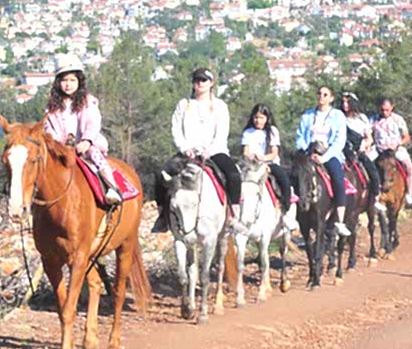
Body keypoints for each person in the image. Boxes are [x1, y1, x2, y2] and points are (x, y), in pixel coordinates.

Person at [151, 67, 243, 234]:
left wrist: (209, 150)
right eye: (196, 80)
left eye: (203, 80)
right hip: (188, 153)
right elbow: (176, 129)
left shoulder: (220, 106)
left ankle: (233, 217)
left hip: (214, 152)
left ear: (211, 83)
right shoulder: (184, 104)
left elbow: (222, 133)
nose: (199, 83)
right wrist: (185, 148)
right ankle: (163, 217)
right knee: (160, 175)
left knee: (233, 176)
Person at [42, 54, 121, 205]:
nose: (68, 84)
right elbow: (49, 128)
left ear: (79, 81)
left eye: (72, 80)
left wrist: (86, 140)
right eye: (64, 80)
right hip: (62, 148)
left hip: (85, 144)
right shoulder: (52, 107)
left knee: (96, 157)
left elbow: (93, 122)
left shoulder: (87, 102)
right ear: (58, 83)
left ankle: (112, 187)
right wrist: (58, 145)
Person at [294, 85, 353, 237]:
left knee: (338, 178)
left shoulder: (338, 115)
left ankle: (339, 219)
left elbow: (340, 140)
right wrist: (305, 150)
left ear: (331, 98)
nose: (321, 97)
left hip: (329, 154)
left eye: (325, 95)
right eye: (319, 94)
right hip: (309, 153)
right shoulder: (308, 115)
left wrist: (324, 157)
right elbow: (300, 136)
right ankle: (292, 214)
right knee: (295, 175)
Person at [240, 103, 298, 231]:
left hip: (269, 163)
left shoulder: (272, 131)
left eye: (261, 117)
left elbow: (274, 153)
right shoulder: (248, 132)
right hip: (250, 164)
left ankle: (287, 211)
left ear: (267, 118)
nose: (258, 121)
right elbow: (245, 151)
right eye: (256, 117)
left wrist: (264, 158)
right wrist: (250, 156)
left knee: (284, 179)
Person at [340, 92, 383, 212]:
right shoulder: (339, 117)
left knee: (372, 170)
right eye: (343, 102)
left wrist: (364, 146)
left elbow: (369, 138)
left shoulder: (362, 118)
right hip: (342, 152)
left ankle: (375, 198)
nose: (345, 105)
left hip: (358, 151)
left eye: (348, 102)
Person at [371, 97, 412, 208]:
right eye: (382, 110)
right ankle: (372, 195)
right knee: (366, 165)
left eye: (387, 110)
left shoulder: (398, 119)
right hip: (379, 149)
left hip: (395, 149)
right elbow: (369, 134)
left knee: (410, 167)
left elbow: (406, 137)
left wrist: (397, 144)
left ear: (392, 107)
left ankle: (409, 195)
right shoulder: (373, 119)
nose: (384, 112)